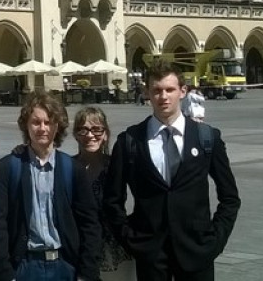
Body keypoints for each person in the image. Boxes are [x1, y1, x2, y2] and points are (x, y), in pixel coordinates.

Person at [103, 61, 240, 281]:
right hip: (151, 254)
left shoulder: (207, 137)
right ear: (147, 93)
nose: (163, 97)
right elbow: (112, 200)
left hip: (197, 251)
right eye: (157, 90)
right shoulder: (130, 141)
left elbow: (230, 197)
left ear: (183, 91)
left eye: (170, 90)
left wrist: (216, 240)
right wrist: (130, 239)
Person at [0, 91, 101, 281]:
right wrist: (5, 273)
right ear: (26, 125)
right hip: (25, 266)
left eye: (48, 122)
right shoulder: (9, 166)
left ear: (58, 126)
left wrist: (86, 273)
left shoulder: (72, 169)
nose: (42, 128)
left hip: (64, 265)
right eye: (36, 122)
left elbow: (90, 223)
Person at [73, 107, 133, 281]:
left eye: (97, 129)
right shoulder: (67, 167)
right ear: (76, 135)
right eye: (83, 130)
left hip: (114, 247)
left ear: (106, 134)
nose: (90, 135)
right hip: (79, 248)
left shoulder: (116, 165)